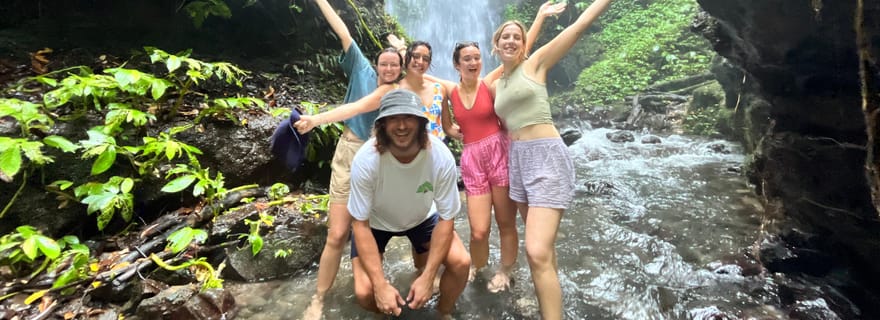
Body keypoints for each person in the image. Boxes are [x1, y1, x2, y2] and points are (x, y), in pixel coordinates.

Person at [488, 0, 613, 319]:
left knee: (536, 250)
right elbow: (469, 90)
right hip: (518, 162)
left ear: (524, 43)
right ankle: (552, 304)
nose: (511, 41)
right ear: (496, 45)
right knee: (544, 252)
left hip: (546, 157)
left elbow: (579, 26)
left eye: (517, 37)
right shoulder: (497, 84)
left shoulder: (535, 64)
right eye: (505, 37)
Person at [440, 1, 566, 293]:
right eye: (467, 59)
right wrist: (458, 133)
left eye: (477, 57)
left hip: (499, 154)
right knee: (479, 229)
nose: (473, 62)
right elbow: (447, 125)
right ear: (457, 64)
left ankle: (505, 270)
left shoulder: (489, 84)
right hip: (472, 160)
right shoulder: (449, 92)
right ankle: (477, 265)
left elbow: (519, 50)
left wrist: (540, 17)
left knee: (506, 222)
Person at [304, 0, 403, 318]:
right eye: (384, 64)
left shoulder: (395, 90)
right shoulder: (361, 68)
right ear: (376, 64)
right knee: (336, 233)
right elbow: (343, 31)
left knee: (372, 231)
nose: (388, 69)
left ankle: (375, 284)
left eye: (395, 65)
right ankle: (319, 298)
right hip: (349, 152)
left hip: (379, 160)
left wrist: (316, 120)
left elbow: (362, 106)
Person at [347, 89, 470, 318]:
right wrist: (380, 284)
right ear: (382, 125)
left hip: (423, 217)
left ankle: (443, 313)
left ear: (421, 123)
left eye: (408, 117)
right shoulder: (366, 159)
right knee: (365, 292)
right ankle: (388, 313)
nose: (401, 125)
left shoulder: (439, 155)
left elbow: (447, 219)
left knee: (461, 263)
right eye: (393, 118)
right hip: (375, 224)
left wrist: (429, 276)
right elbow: (359, 224)